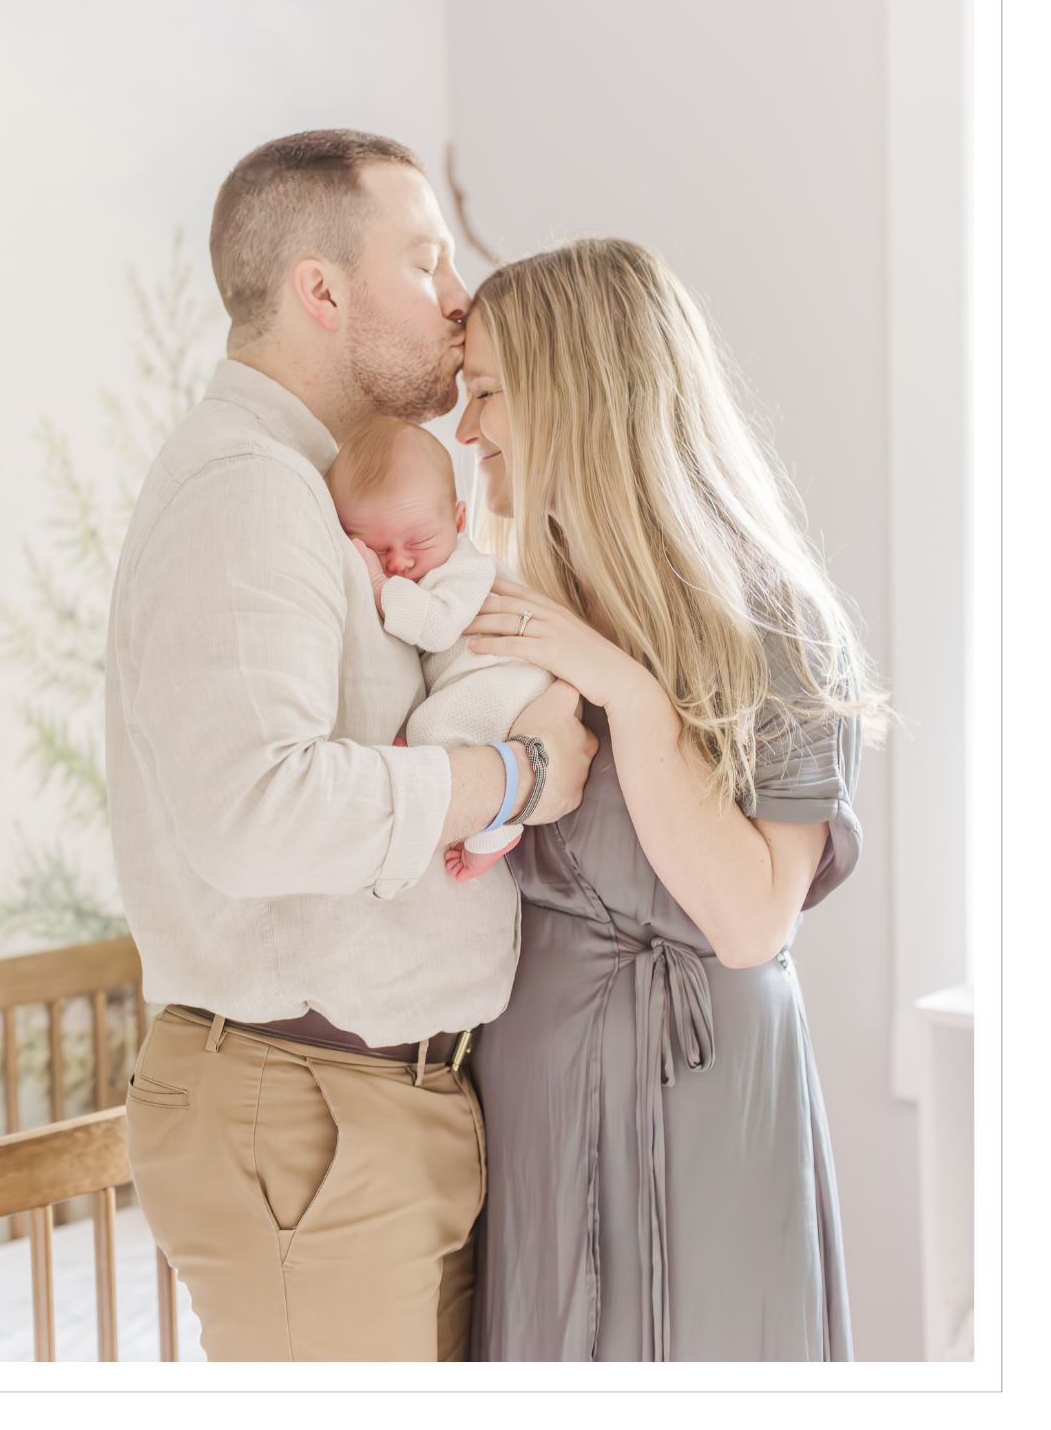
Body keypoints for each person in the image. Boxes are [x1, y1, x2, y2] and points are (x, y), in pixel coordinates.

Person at [105, 131, 597, 1362]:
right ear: (320, 292)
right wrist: (519, 775)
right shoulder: (250, 490)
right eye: (424, 262)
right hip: (310, 1114)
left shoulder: (338, 493)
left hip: (366, 1110)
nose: (458, 297)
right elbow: (254, 811)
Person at [455, 239, 888, 1362]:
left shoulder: (778, 626)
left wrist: (634, 699)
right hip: (537, 1080)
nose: (465, 429)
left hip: (713, 1089)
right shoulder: (513, 611)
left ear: (575, 398)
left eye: (487, 393)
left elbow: (748, 923)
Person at [326, 416, 553, 881]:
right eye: (376, 549)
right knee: (436, 731)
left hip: (510, 681)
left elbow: (438, 627)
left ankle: (498, 828)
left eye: (419, 540)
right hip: (486, 684)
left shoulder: (468, 569)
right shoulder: (425, 567)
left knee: (432, 730)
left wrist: (378, 586)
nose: (399, 562)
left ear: (459, 520)